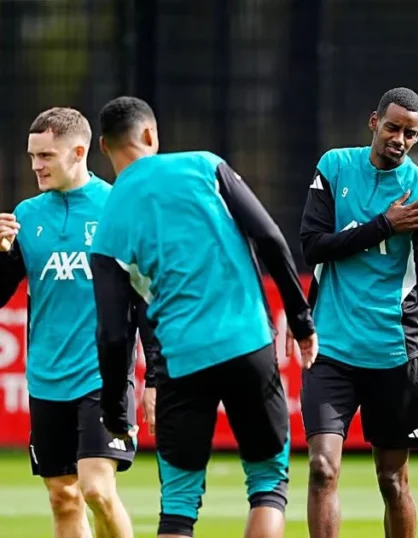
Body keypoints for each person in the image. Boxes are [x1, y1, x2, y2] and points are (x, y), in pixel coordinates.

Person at [87, 96, 319, 538]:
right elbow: (270, 238)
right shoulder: (205, 166)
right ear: (151, 134)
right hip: (248, 343)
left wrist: (116, 412)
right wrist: (301, 319)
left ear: (103, 146)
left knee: (178, 507)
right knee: (268, 485)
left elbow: (113, 333)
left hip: (182, 362)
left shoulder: (107, 225)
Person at [295, 87, 418, 538]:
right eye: (393, 128)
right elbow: (312, 246)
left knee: (393, 482)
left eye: (410, 134)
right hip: (330, 350)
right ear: (374, 122)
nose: (400, 139)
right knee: (322, 468)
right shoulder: (335, 167)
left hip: (393, 357)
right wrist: (383, 226)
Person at [0, 106, 155, 538]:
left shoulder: (116, 206)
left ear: (79, 152)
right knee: (62, 498)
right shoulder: (27, 215)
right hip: (45, 378)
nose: (36, 165)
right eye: (33, 156)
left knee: (97, 490)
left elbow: (145, 296)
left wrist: (156, 377)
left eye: (46, 156)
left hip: (102, 377)